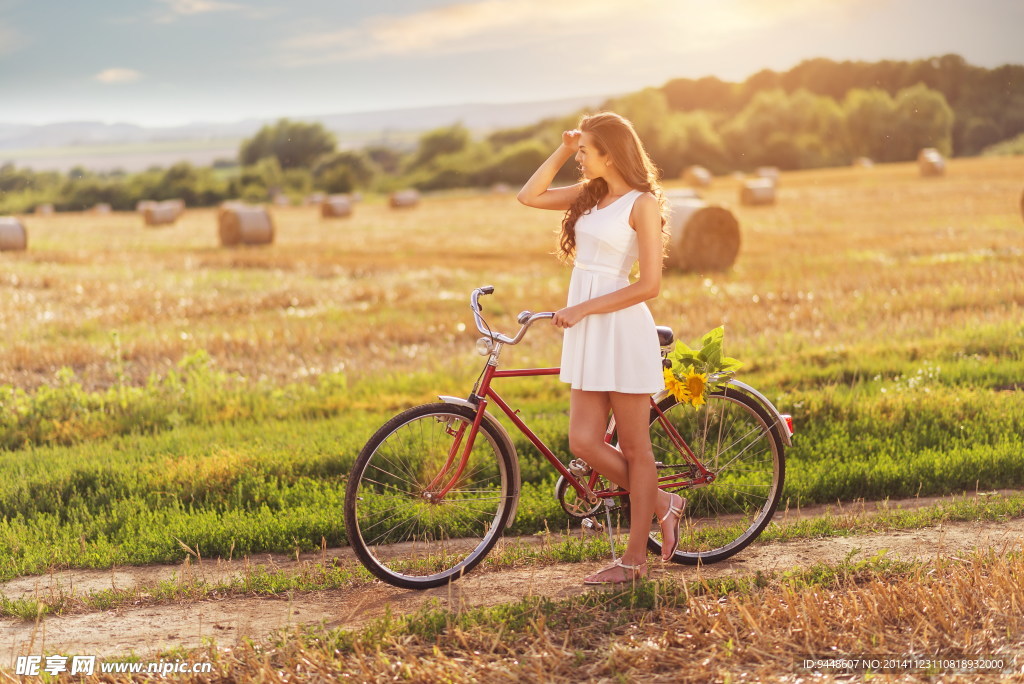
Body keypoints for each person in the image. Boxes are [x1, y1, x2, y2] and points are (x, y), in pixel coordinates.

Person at [517, 112, 685, 584]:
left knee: (635, 446)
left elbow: (649, 284)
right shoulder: (590, 195)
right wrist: (564, 148)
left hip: (620, 328)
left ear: (610, 153)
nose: (582, 158)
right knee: (583, 442)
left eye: (588, 150)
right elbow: (527, 196)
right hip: (589, 328)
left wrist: (587, 309)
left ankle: (634, 560)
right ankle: (663, 503)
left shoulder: (642, 203)